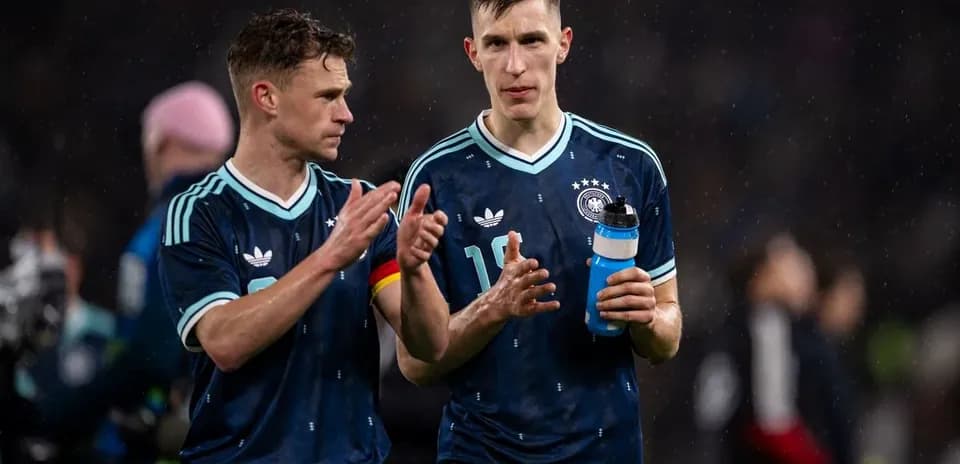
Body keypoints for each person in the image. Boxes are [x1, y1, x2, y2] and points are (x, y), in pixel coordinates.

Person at [157, 9, 450, 463]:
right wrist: (330, 257)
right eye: (328, 96)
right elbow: (225, 343)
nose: (346, 114)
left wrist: (415, 271)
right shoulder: (200, 213)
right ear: (266, 98)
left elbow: (430, 348)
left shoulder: (356, 206)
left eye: (345, 96)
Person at [397, 0, 682, 461]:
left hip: (605, 450)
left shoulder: (630, 165)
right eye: (496, 44)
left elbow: (667, 336)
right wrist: (494, 307)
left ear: (563, 44)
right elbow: (415, 364)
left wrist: (647, 317)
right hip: (483, 452)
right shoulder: (436, 180)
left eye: (532, 40)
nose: (515, 65)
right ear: (472, 53)